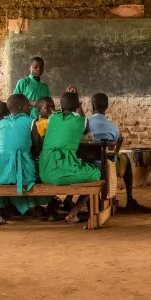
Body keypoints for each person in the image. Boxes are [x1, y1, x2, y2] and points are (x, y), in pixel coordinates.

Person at [37, 91, 101, 223]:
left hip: (44, 170)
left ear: (60, 106)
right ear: (78, 105)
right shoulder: (82, 120)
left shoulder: (52, 119)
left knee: (75, 167)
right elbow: (89, 136)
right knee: (96, 173)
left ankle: (65, 202)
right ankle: (74, 211)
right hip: (61, 172)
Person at [86, 92, 143, 210]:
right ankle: (130, 199)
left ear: (92, 106)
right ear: (107, 107)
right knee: (125, 159)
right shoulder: (113, 128)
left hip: (87, 166)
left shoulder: (84, 123)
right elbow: (114, 151)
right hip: (107, 167)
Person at [0, 94, 42, 216]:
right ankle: (36, 206)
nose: (31, 109)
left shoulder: (0, 123)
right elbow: (37, 148)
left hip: (3, 174)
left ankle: (17, 207)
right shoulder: (31, 122)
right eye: (28, 107)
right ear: (21, 107)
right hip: (25, 174)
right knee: (41, 171)